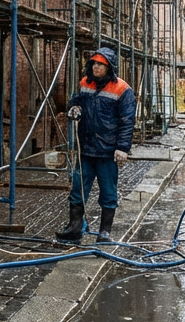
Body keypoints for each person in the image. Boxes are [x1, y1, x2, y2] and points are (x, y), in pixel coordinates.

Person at [55, 48, 136, 244]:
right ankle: (75, 228)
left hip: (108, 151)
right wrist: (73, 107)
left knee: (108, 192)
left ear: (109, 67)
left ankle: (104, 232)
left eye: (100, 64)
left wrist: (122, 148)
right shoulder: (85, 83)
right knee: (78, 189)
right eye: (94, 63)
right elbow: (75, 100)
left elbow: (127, 121)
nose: (96, 67)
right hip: (86, 149)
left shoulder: (122, 90)